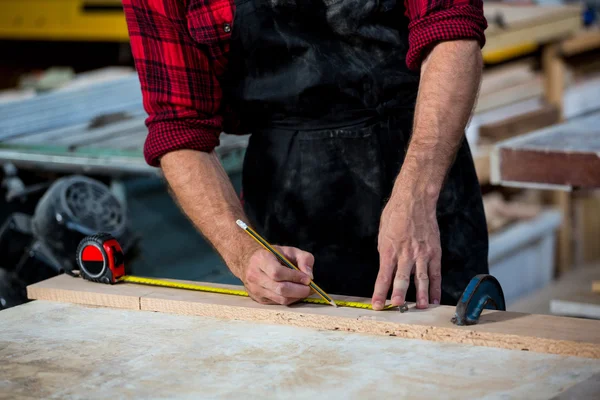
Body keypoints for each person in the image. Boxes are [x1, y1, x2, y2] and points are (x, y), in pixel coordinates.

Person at [123, 0, 489, 311]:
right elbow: (178, 127)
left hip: (420, 161)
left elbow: (452, 30)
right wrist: (242, 251)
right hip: (288, 192)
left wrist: (416, 196)